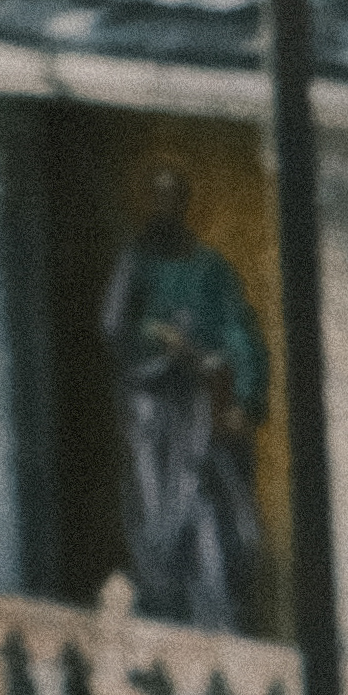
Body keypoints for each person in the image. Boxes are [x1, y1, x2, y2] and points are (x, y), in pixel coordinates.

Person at [108, 159, 275, 634]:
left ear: (184, 205)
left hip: (202, 410)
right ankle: (165, 618)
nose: (166, 208)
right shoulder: (134, 263)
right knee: (156, 519)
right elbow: (114, 325)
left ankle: (216, 619)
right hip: (152, 412)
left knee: (212, 511)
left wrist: (244, 396)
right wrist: (159, 339)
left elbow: (241, 332)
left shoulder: (210, 270)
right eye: (156, 198)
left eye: (174, 198)